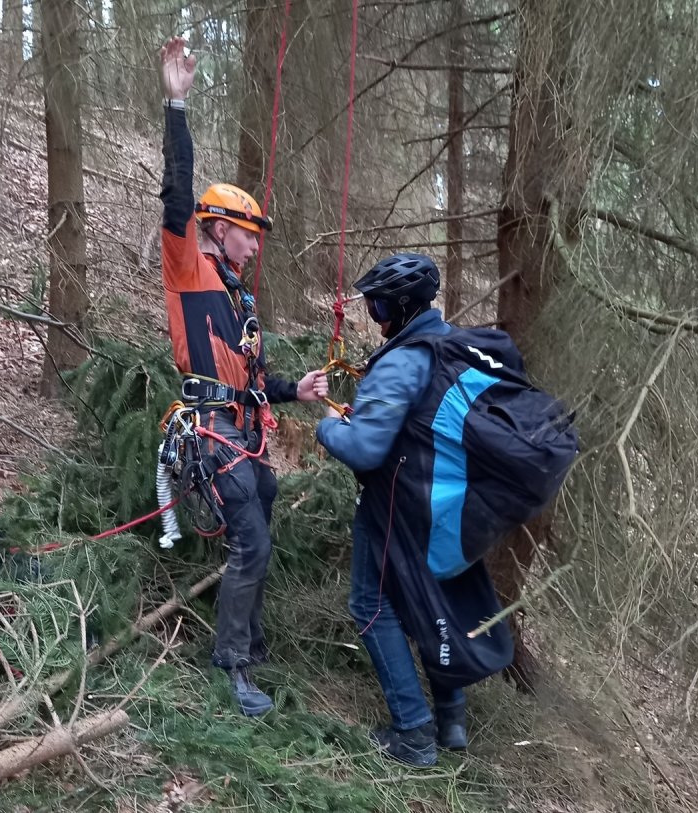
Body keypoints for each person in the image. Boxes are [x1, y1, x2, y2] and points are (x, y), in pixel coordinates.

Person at [159, 37, 328, 717]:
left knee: (266, 505)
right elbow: (176, 192)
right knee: (250, 540)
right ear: (218, 228)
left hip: (242, 430)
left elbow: (251, 376)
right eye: (247, 234)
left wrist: (296, 391)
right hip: (209, 430)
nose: (254, 246)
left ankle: (251, 640)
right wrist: (177, 102)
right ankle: (230, 663)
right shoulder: (187, 267)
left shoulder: (237, 296)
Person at [316, 253, 469, 767]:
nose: (375, 315)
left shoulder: (403, 359)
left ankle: (413, 733)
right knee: (427, 601)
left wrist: (327, 427)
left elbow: (363, 450)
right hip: (446, 498)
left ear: (402, 307)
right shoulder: (451, 345)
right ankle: (451, 717)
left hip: (397, 504)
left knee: (370, 606)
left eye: (379, 304)